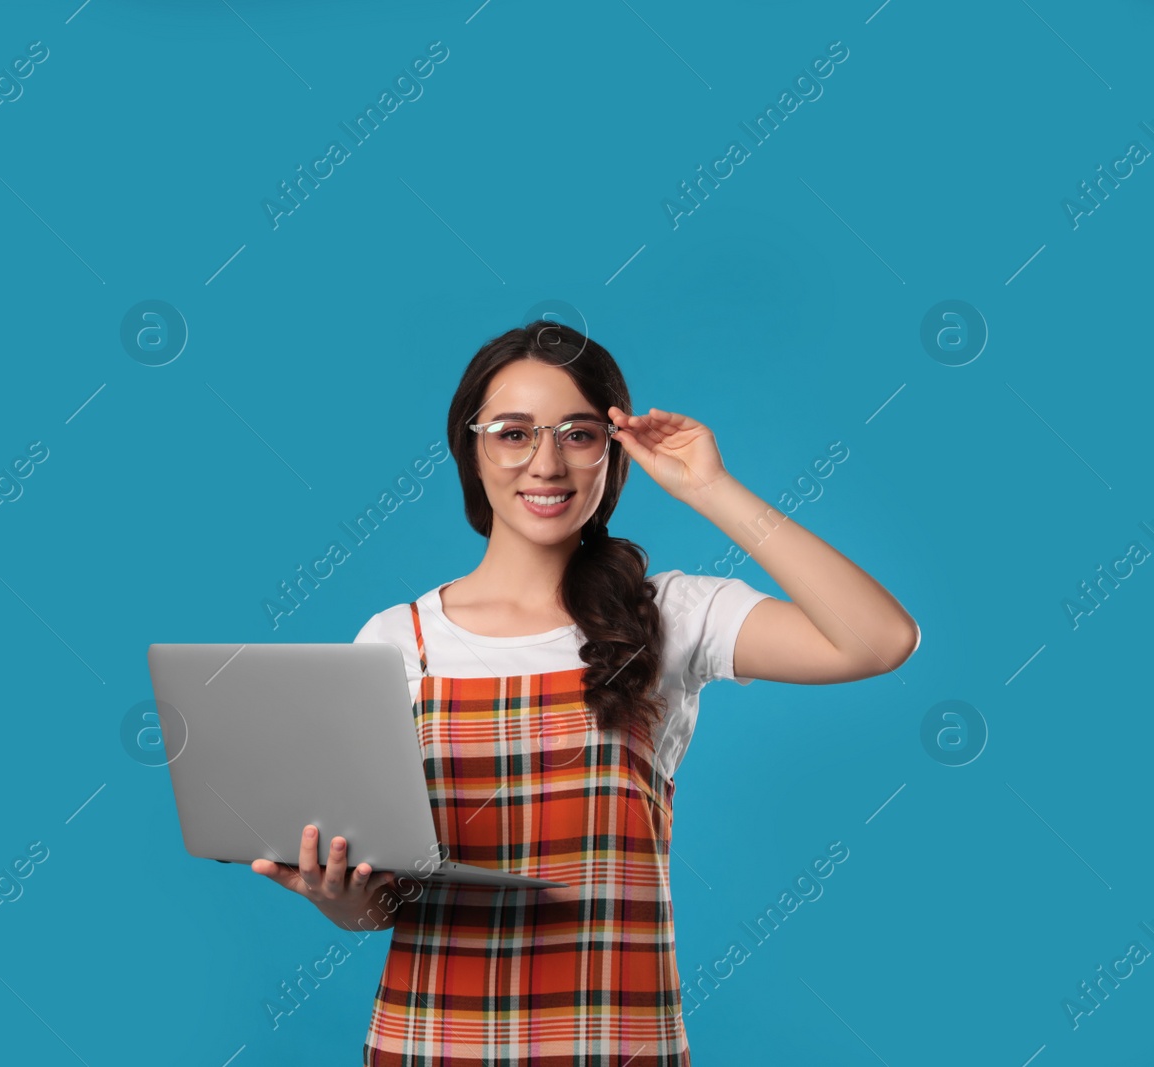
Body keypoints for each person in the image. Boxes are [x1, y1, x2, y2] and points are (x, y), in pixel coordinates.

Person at [250, 321, 920, 1064]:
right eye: (513, 433)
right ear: (472, 449)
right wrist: (335, 895)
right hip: (431, 1042)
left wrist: (711, 488)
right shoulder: (396, 639)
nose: (546, 463)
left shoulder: (669, 615)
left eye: (577, 434)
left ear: (614, 450)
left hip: (619, 1045)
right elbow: (385, 902)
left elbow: (877, 638)